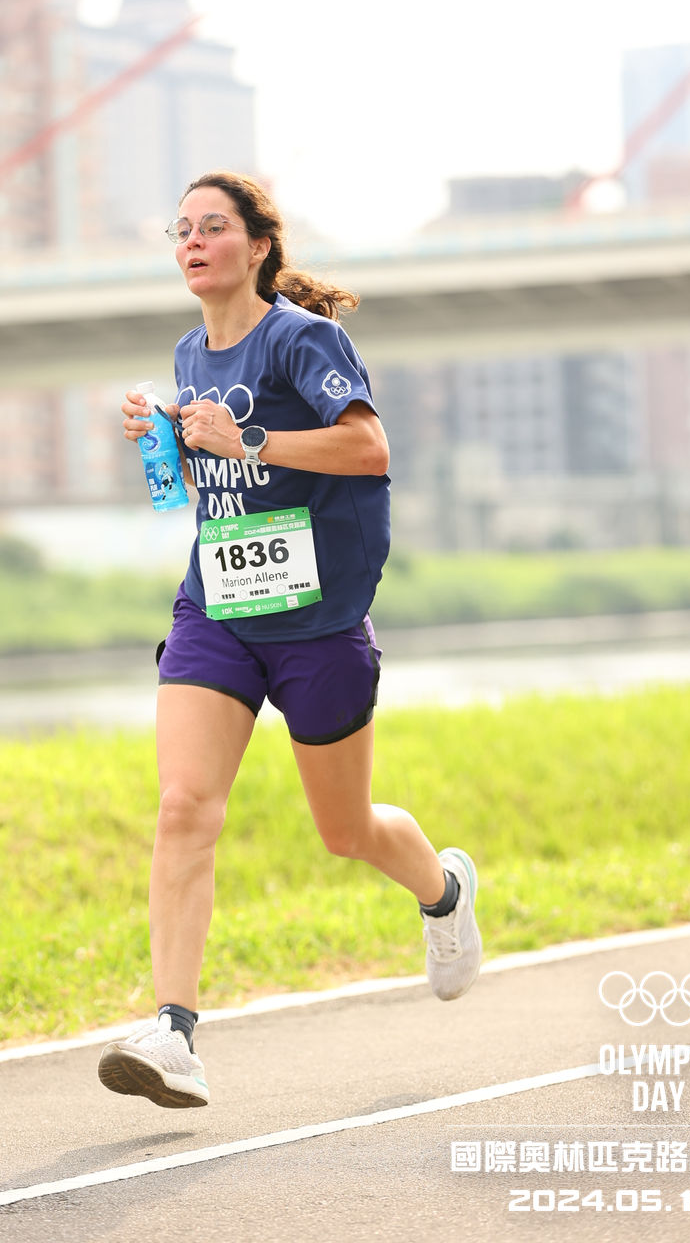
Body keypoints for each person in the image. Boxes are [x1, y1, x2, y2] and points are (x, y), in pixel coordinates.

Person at [98, 171, 481, 1109]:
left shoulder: (303, 338)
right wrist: (171, 440)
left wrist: (249, 440)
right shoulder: (188, 353)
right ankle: (173, 1033)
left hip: (318, 622)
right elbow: (222, 481)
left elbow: (367, 449)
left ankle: (442, 890)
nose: (193, 242)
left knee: (345, 832)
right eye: (181, 229)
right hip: (219, 610)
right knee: (183, 807)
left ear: (259, 245)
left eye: (213, 227)